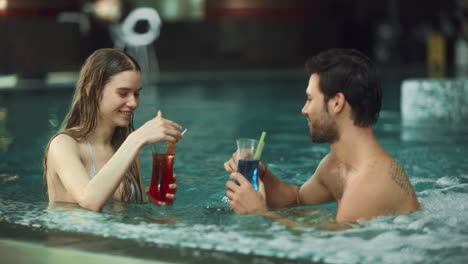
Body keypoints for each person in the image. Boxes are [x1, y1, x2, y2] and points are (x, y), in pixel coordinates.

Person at [224, 48, 420, 224]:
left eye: (310, 99)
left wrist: (258, 212)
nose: (304, 109)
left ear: (336, 103)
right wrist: (262, 175)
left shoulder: (369, 185)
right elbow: (297, 199)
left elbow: (331, 248)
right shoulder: (335, 165)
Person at [43, 48, 184, 212]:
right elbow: (89, 202)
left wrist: (154, 206)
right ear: (93, 91)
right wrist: (136, 139)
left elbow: (134, 219)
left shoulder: (125, 147)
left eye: (137, 94)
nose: (133, 103)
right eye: (123, 93)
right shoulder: (63, 145)